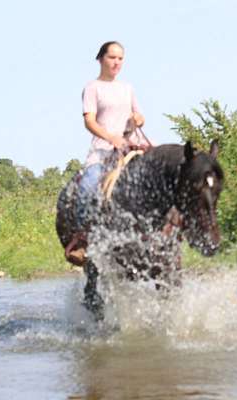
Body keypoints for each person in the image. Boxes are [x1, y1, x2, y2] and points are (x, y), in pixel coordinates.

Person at [67, 41, 151, 263]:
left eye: (120, 58)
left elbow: (138, 115)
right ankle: (83, 241)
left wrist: (138, 119)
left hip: (131, 148)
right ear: (101, 59)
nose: (117, 62)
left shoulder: (127, 88)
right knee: (87, 186)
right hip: (103, 152)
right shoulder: (92, 87)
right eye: (112, 57)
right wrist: (110, 137)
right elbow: (90, 122)